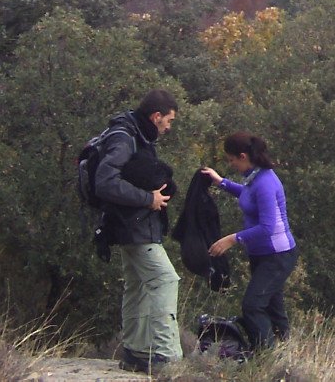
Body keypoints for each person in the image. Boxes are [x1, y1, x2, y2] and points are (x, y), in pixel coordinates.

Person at [93, 88, 183, 373]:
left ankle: (135, 352)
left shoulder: (134, 132)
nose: (168, 127)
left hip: (130, 225)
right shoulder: (125, 136)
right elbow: (105, 182)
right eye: (168, 121)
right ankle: (166, 357)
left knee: (138, 287)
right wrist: (149, 199)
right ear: (156, 116)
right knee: (166, 280)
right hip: (134, 225)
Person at [201, 133, 298, 354]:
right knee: (274, 307)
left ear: (243, 156)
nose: (231, 164)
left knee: (253, 306)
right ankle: (286, 355)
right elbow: (246, 195)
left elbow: (267, 227)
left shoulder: (265, 182)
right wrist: (221, 182)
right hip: (261, 256)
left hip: (277, 256)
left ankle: (266, 359)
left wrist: (232, 239)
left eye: (231, 159)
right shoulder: (254, 177)